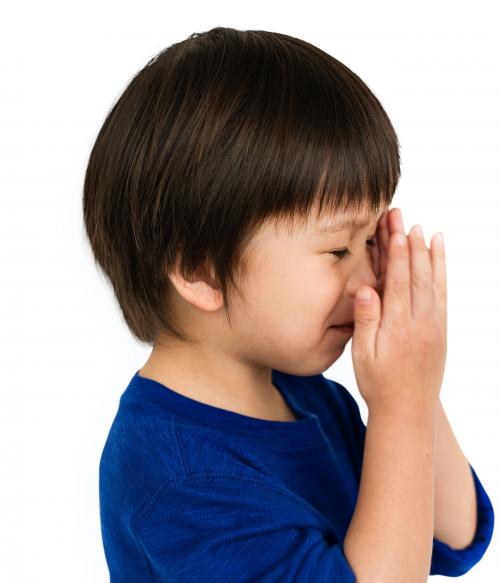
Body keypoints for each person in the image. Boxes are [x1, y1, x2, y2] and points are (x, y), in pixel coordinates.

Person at [85, 27, 494, 581]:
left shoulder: (310, 400)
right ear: (202, 268)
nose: (368, 278)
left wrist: (413, 392)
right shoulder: (178, 475)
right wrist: (399, 404)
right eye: (337, 248)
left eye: (372, 240)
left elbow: (454, 535)